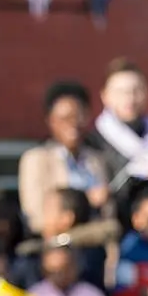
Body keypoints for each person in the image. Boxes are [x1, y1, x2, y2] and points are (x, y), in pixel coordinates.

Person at [90, 58, 148, 229]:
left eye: (136, 90)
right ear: (105, 96)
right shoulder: (93, 143)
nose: (130, 98)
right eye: (121, 92)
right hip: (114, 228)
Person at [18, 82, 109, 234]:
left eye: (78, 117)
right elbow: (33, 214)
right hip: (56, 244)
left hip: (96, 242)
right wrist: (86, 200)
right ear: (50, 121)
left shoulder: (95, 160)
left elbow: (108, 213)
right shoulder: (37, 159)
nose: (73, 124)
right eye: (64, 118)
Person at [11, 188, 108, 292]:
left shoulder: (87, 255)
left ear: (67, 218)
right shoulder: (31, 251)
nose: (42, 216)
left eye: (48, 209)